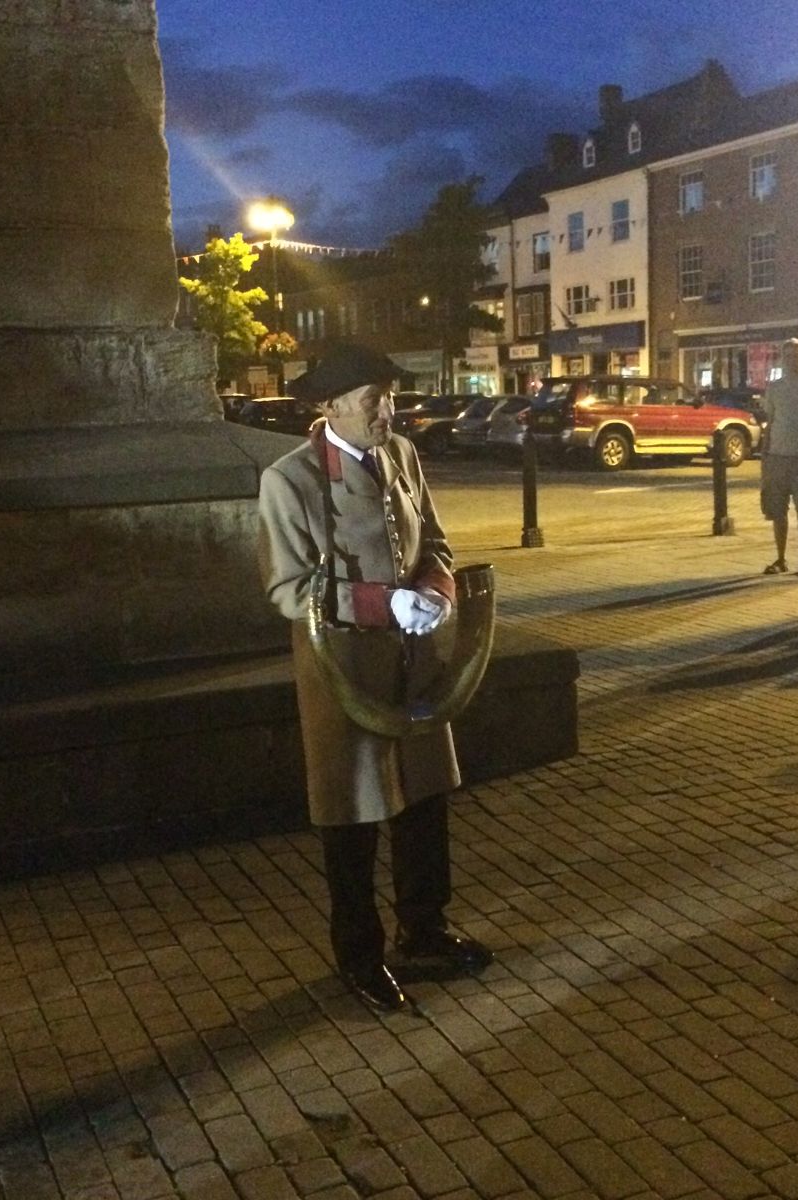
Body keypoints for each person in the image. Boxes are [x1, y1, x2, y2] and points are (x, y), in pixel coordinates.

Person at [257, 343, 492, 1015]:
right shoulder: (290, 480)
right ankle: (360, 956)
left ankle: (424, 928)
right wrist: (383, 604)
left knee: (423, 797)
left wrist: (437, 592)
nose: (388, 410)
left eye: (388, 396)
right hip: (344, 667)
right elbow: (286, 587)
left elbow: (435, 543)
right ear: (330, 407)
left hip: (415, 661)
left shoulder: (402, 456)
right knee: (352, 813)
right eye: (372, 400)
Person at [759, 338, 798, 577]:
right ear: (782, 359)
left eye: (797, 355)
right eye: (788, 356)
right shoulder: (775, 387)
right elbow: (771, 421)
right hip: (777, 456)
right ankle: (780, 558)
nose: (793, 360)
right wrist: (765, 455)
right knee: (778, 511)